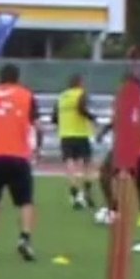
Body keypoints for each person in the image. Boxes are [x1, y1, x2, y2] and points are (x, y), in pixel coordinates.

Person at [0, 63, 40, 262]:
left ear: (0, 77)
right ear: (17, 78)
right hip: (18, 156)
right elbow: (38, 125)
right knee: (25, 202)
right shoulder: (27, 96)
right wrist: (38, 149)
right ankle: (25, 238)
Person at [94, 77, 140, 229]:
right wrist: (103, 131)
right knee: (104, 175)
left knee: (138, 182)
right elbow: (115, 121)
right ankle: (114, 208)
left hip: (138, 149)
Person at [52, 74, 98, 210]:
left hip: (65, 134)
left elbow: (54, 118)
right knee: (88, 163)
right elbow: (81, 109)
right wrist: (92, 118)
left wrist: (64, 122)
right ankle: (87, 192)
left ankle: (75, 192)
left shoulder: (61, 97)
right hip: (80, 133)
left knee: (70, 163)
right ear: (80, 83)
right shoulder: (81, 94)